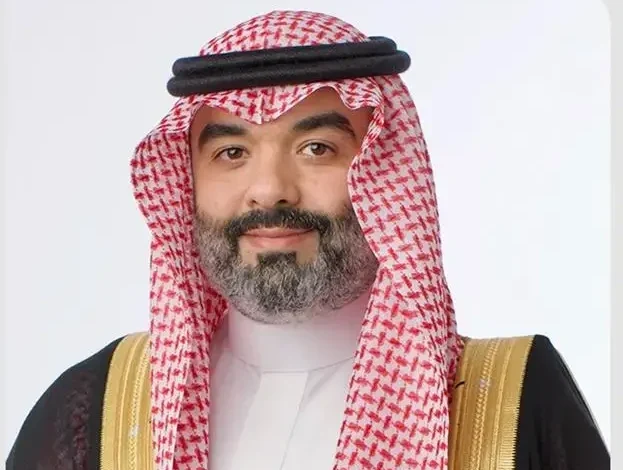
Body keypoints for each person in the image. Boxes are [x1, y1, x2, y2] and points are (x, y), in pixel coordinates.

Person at [6, 9, 609, 470]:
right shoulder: (97, 409)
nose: (269, 191)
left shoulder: (512, 399)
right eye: (231, 152)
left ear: (386, 173)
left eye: (316, 148)